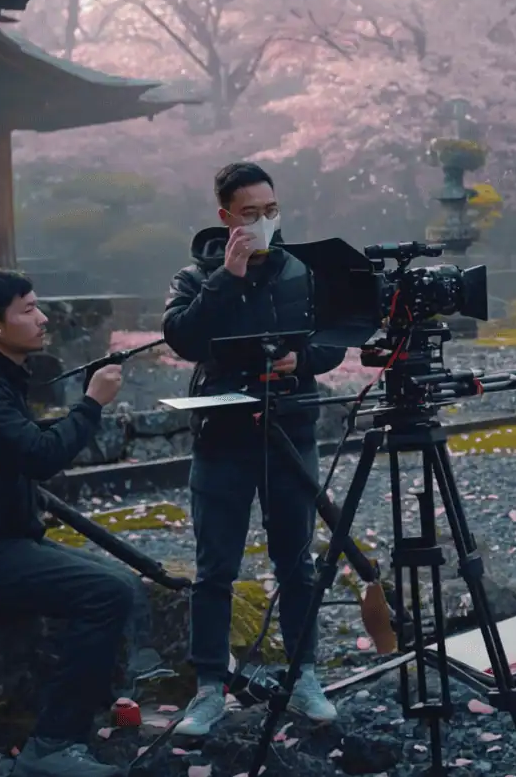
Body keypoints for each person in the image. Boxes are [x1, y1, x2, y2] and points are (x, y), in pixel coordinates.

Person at [0, 268, 140, 777]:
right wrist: (92, 404)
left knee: (122, 582)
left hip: (4, 541)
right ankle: (52, 745)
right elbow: (40, 456)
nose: (42, 318)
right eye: (28, 309)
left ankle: (94, 704)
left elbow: (20, 442)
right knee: (105, 593)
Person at [162, 161, 346, 737]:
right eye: (251, 214)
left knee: (297, 560)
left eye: (271, 211)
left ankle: (304, 674)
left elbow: (334, 340)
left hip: (292, 426)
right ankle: (210, 687)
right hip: (222, 433)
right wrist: (229, 274)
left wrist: (304, 359)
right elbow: (184, 338)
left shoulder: (302, 270)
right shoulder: (195, 276)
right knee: (215, 567)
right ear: (225, 217)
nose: (265, 222)